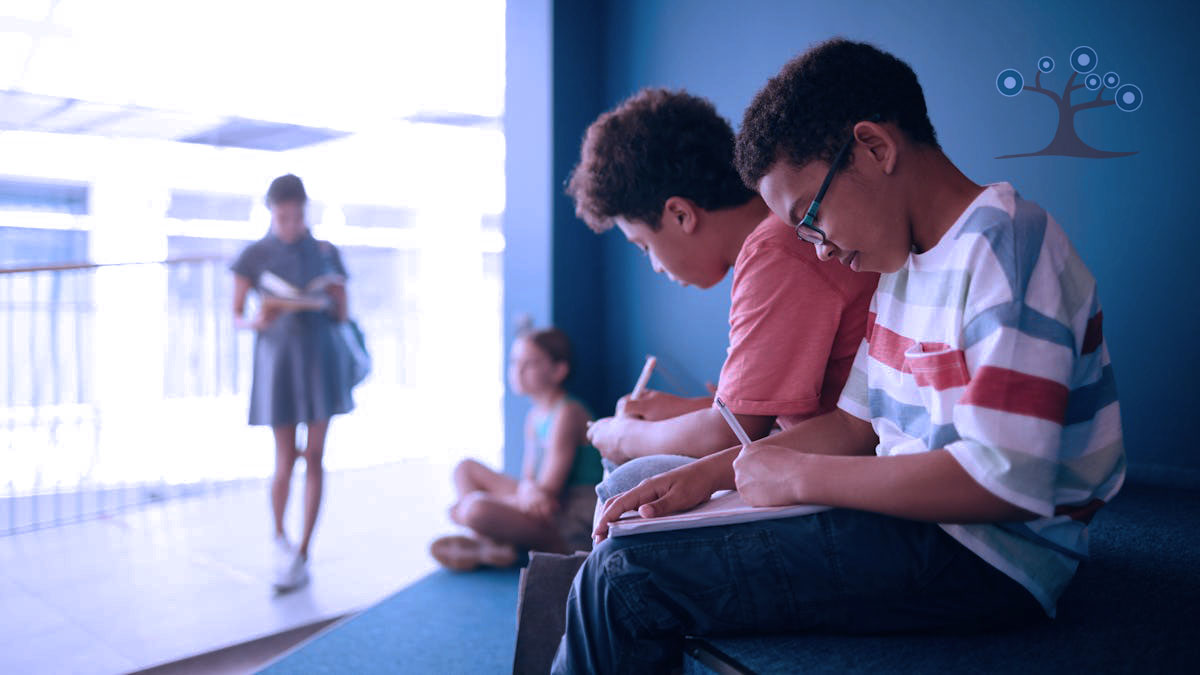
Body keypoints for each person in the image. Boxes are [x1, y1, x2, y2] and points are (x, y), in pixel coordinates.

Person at [554, 39, 1125, 674]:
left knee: (626, 576)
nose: (820, 249)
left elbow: (1006, 478)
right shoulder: (905, 269)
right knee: (635, 534)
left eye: (812, 217)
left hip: (988, 557)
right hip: (912, 525)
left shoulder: (1005, 244)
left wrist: (799, 477)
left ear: (875, 148)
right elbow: (857, 425)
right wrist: (712, 474)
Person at [565, 88, 878, 500]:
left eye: (644, 247)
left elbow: (730, 433)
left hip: (846, 478)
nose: (655, 266)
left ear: (681, 214)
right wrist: (683, 413)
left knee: (631, 475)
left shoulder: (776, 250)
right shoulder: (773, 239)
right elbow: (752, 417)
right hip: (820, 455)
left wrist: (622, 435)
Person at [231, 174, 353, 592]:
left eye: (297, 215)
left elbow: (342, 314)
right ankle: (280, 535)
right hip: (278, 361)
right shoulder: (254, 255)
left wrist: (332, 299)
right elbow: (236, 315)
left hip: (321, 359)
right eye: (283, 216)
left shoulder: (324, 252)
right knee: (284, 457)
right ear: (271, 213)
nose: (290, 223)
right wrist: (256, 319)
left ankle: (304, 549)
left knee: (315, 456)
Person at [430, 328, 603, 570]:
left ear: (558, 370)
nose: (518, 371)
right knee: (465, 469)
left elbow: (549, 491)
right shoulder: (534, 415)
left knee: (474, 508)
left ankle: (500, 541)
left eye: (529, 363)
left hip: (569, 512)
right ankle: (491, 544)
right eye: (514, 362)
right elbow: (529, 480)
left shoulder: (568, 413)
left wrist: (489, 501)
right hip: (542, 500)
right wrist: (525, 492)